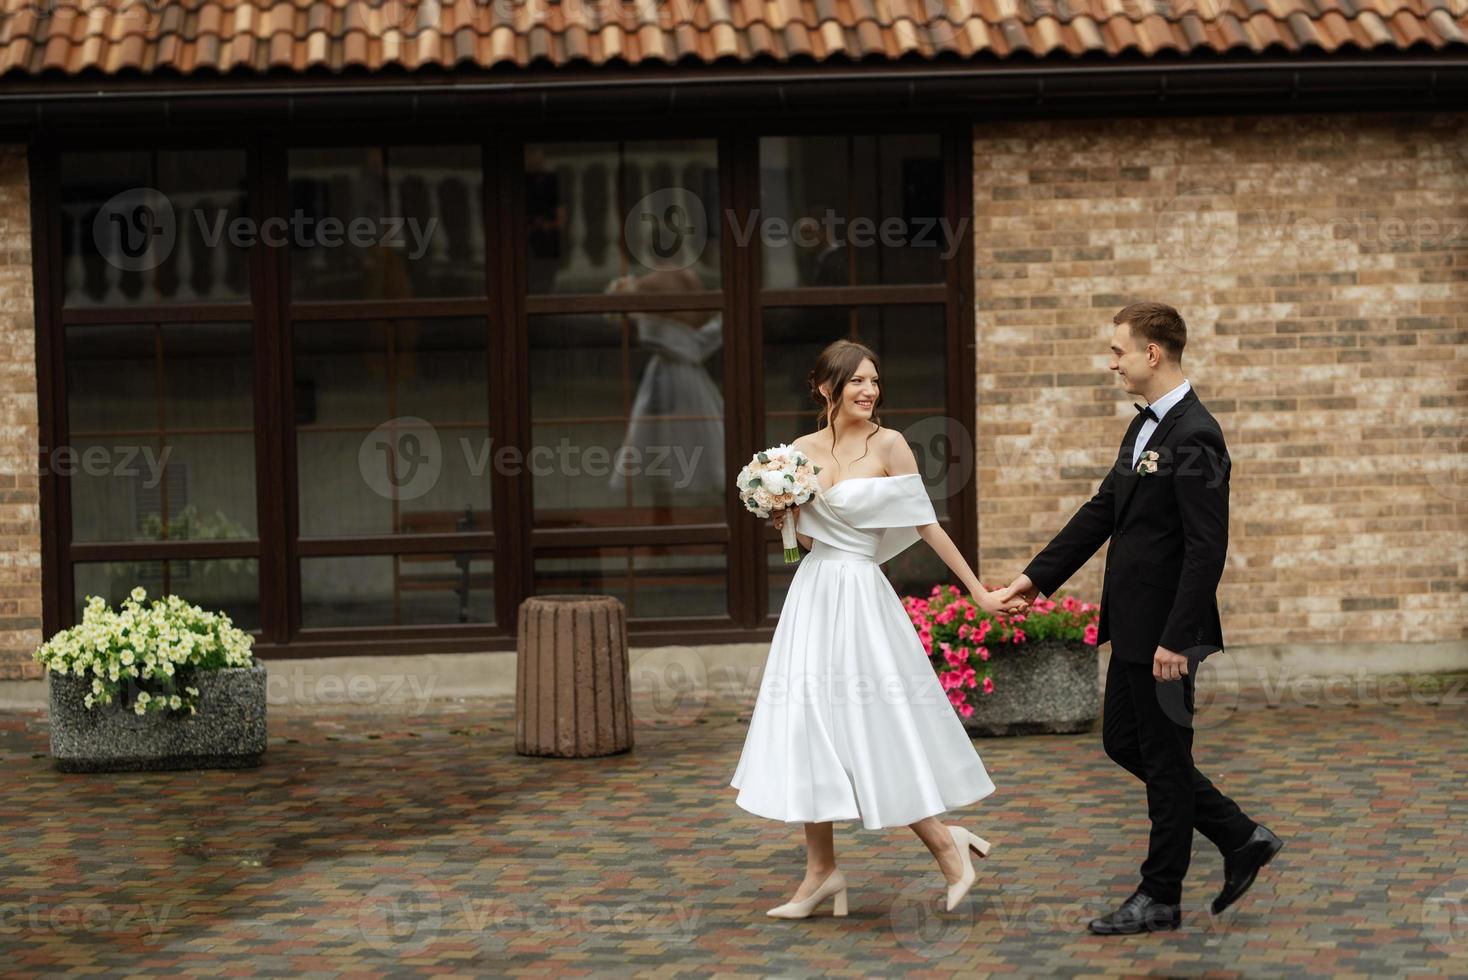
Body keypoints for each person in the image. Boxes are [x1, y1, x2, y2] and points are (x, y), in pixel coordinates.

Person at [1002, 302, 1283, 935]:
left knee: (1161, 755)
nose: (1112, 363)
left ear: (1151, 353)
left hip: (1163, 635)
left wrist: (1177, 639)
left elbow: (1207, 547)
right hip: (1130, 625)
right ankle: (1240, 835)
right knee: (1125, 743)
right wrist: (1033, 580)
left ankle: (1160, 895)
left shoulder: (1196, 433)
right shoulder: (1145, 428)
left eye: (1117, 350)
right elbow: (1102, 509)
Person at [729, 338, 1028, 919]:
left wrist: (978, 591)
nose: (869, 390)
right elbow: (810, 542)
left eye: (874, 380)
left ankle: (946, 843)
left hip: (863, 598)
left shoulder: (889, 443)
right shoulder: (794, 455)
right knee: (807, 724)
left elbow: (924, 525)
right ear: (825, 389)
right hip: (813, 594)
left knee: (873, 721)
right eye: (856, 381)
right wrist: (781, 517)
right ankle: (821, 872)